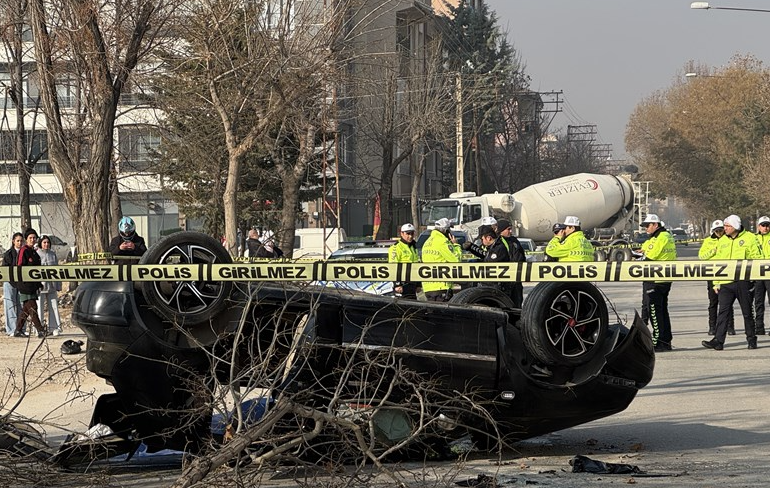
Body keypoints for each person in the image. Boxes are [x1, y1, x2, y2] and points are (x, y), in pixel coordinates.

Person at [703, 215, 763, 351]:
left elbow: (758, 259)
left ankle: (751, 339)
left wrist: (754, 280)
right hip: (725, 282)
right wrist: (716, 282)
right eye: (724, 226)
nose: (725, 229)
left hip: (743, 282)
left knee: (747, 312)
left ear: (735, 226)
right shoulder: (722, 240)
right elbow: (718, 262)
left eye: (727, 226)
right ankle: (718, 340)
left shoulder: (750, 238)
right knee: (723, 312)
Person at [639, 214, 677, 352]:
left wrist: (641, 256)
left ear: (656, 225)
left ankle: (658, 341)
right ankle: (666, 340)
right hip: (662, 278)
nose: (646, 229)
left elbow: (650, 256)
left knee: (654, 311)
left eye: (648, 226)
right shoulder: (658, 237)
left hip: (656, 278)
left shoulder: (662, 237)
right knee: (662, 311)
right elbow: (644, 250)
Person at [698, 220, 734, 336]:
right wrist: (713, 251)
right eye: (717, 231)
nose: (719, 232)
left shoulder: (729, 239)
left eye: (721, 230)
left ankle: (730, 326)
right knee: (713, 302)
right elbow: (702, 257)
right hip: (712, 274)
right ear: (713, 231)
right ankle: (712, 326)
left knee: (727, 302)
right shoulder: (708, 241)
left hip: (726, 273)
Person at [421, 218, 462, 302]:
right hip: (441, 286)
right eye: (449, 229)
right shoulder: (443, 242)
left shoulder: (427, 243)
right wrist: (456, 245)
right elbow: (456, 260)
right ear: (446, 230)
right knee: (444, 315)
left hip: (428, 287)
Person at [14, 228, 44, 338]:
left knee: (26, 309)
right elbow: (19, 267)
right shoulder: (24, 250)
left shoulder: (34, 253)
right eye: (30, 238)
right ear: (26, 239)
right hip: (25, 284)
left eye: (34, 238)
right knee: (32, 307)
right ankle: (40, 330)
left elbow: (37, 271)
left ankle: (18, 330)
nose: (32, 240)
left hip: (33, 285)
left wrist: (39, 284)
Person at [496, 219, 526, 307]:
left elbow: (521, 256)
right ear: (501, 230)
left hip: (516, 278)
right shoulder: (497, 242)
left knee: (517, 303)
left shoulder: (514, 241)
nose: (510, 231)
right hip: (504, 279)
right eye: (508, 229)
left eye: (511, 229)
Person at [37, 236, 62, 336]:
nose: (46, 244)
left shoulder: (53, 254)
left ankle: (55, 328)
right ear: (40, 243)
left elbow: (57, 269)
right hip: (41, 286)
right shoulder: (37, 254)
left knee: (54, 306)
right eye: (44, 242)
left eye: (48, 242)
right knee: (40, 308)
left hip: (52, 286)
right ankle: (39, 328)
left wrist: (58, 284)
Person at [388, 223, 421, 299]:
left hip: (412, 284)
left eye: (412, 233)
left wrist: (419, 284)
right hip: (402, 285)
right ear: (402, 234)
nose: (410, 236)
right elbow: (393, 267)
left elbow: (417, 266)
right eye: (408, 233)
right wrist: (397, 284)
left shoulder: (413, 247)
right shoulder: (395, 248)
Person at [3, 233, 22, 336]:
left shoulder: (24, 253)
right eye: (17, 240)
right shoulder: (8, 254)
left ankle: (20, 328)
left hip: (21, 283)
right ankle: (11, 329)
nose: (19, 243)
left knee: (21, 306)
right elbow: (5, 269)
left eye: (21, 241)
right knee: (10, 305)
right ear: (13, 241)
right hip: (10, 283)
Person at [753, 215, 770, 335]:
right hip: (757, 273)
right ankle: (759, 327)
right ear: (758, 226)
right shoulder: (753, 239)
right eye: (763, 225)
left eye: (767, 225)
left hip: (769, 274)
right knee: (758, 302)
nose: (765, 228)